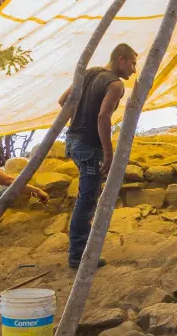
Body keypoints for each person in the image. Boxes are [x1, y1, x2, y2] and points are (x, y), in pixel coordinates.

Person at [58, 43, 138, 270]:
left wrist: (81, 116)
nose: (134, 69)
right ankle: (77, 257)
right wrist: (108, 152)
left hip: (73, 141)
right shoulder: (115, 84)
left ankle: (79, 252)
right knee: (87, 202)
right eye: (132, 63)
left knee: (86, 197)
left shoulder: (90, 72)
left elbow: (64, 101)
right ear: (120, 59)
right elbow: (103, 117)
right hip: (89, 145)